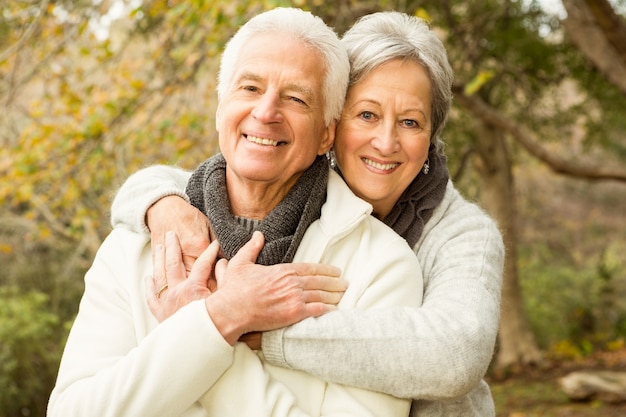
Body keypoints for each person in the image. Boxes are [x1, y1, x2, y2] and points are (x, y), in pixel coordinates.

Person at [111, 11, 505, 417]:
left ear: (432, 137)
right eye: (367, 115)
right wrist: (162, 203)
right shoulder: (301, 189)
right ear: (330, 127)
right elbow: (197, 179)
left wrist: (248, 321)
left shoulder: (463, 234)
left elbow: (455, 356)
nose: (386, 142)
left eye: (410, 122)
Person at [48, 7, 426, 417]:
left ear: (326, 134)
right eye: (249, 88)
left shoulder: (382, 266)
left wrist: (207, 324)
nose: (265, 112)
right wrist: (220, 316)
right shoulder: (137, 242)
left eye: (296, 98)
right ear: (220, 107)